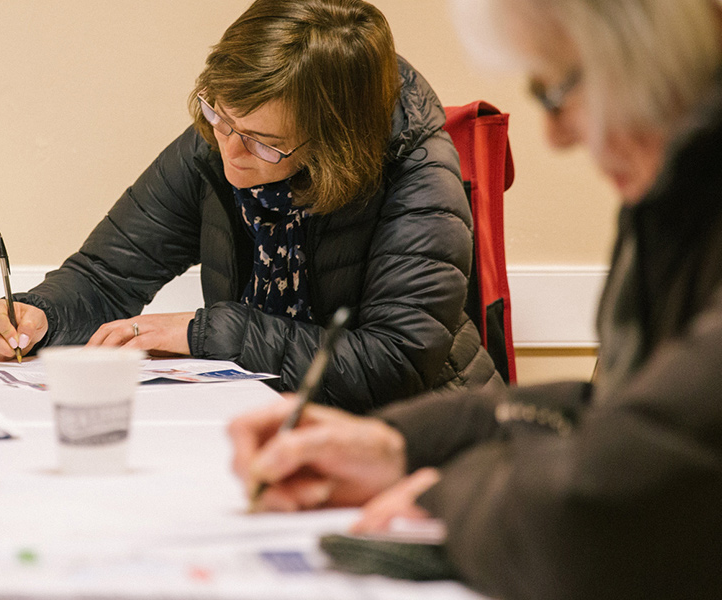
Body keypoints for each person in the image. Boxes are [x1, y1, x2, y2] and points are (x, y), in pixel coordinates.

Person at [229, 0, 722, 598]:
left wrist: (446, 494)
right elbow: (624, 415)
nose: (556, 134)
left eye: (560, 85)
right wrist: (400, 446)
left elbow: (600, 507)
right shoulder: (678, 186)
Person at [0, 0, 500, 413]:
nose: (228, 149)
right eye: (219, 116)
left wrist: (207, 333)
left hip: (427, 436)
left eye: (263, 142)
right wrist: (39, 313)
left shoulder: (416, 168)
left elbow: (392, 361)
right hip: (267, 415)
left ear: (336, 141)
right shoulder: (223, 135)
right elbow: (108, 274)